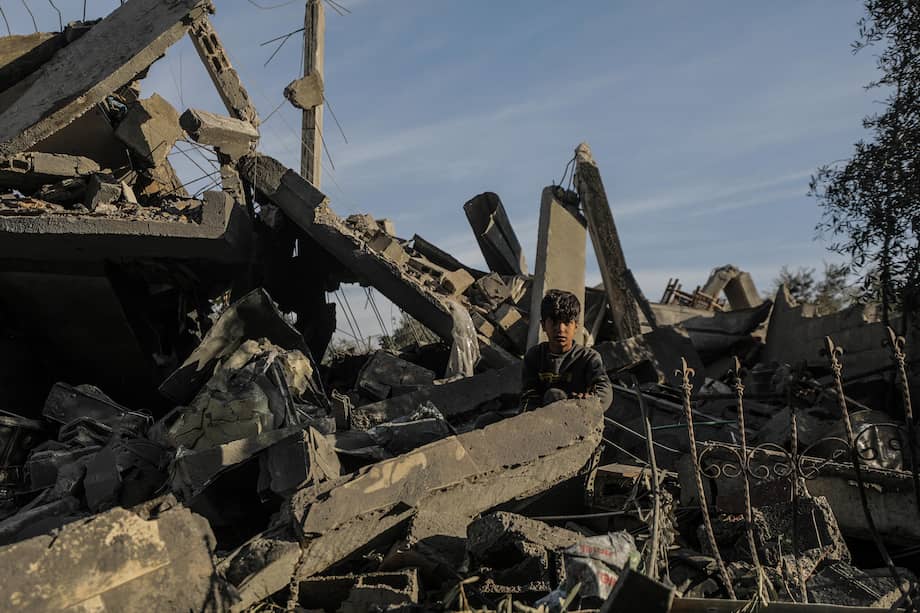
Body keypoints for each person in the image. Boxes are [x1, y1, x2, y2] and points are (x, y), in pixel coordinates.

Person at [521, 289, 613, 411]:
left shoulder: (588, 358)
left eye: (566, 322)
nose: (560, 329)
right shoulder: (534, 356)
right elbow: (528, 395)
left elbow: (604, 391)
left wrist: (587, 403)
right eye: (553, 322)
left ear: (576, 326)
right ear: (543, 325)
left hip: (578, 419)